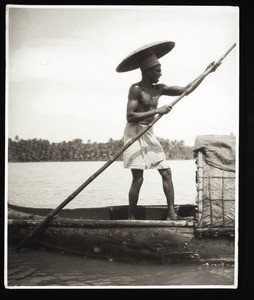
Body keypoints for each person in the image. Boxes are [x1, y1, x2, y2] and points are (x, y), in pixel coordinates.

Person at [116, 41, 219, 220]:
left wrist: (206, 72)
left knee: (166, 172)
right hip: (133, 132)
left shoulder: (159, 88)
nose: (160, 73)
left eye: (160, 70)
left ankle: (171, 213)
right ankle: (131, 219)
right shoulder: (136, 89)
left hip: (148, 132)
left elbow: (187, 90)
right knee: (138, 178)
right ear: (146, 71)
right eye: (157, 70)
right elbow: (130, 116)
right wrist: (157, 110)